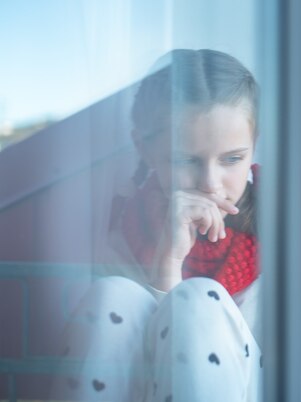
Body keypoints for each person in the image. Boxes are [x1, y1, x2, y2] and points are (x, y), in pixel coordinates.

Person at [52, 49, 262, 401]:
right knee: (113, 294)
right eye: (185, 159)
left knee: (198, 300)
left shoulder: (284, 233)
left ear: (254, 149)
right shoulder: (124, 231)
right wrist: (167, 265)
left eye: (232, 159)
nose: (211, 183)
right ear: (145, 150)